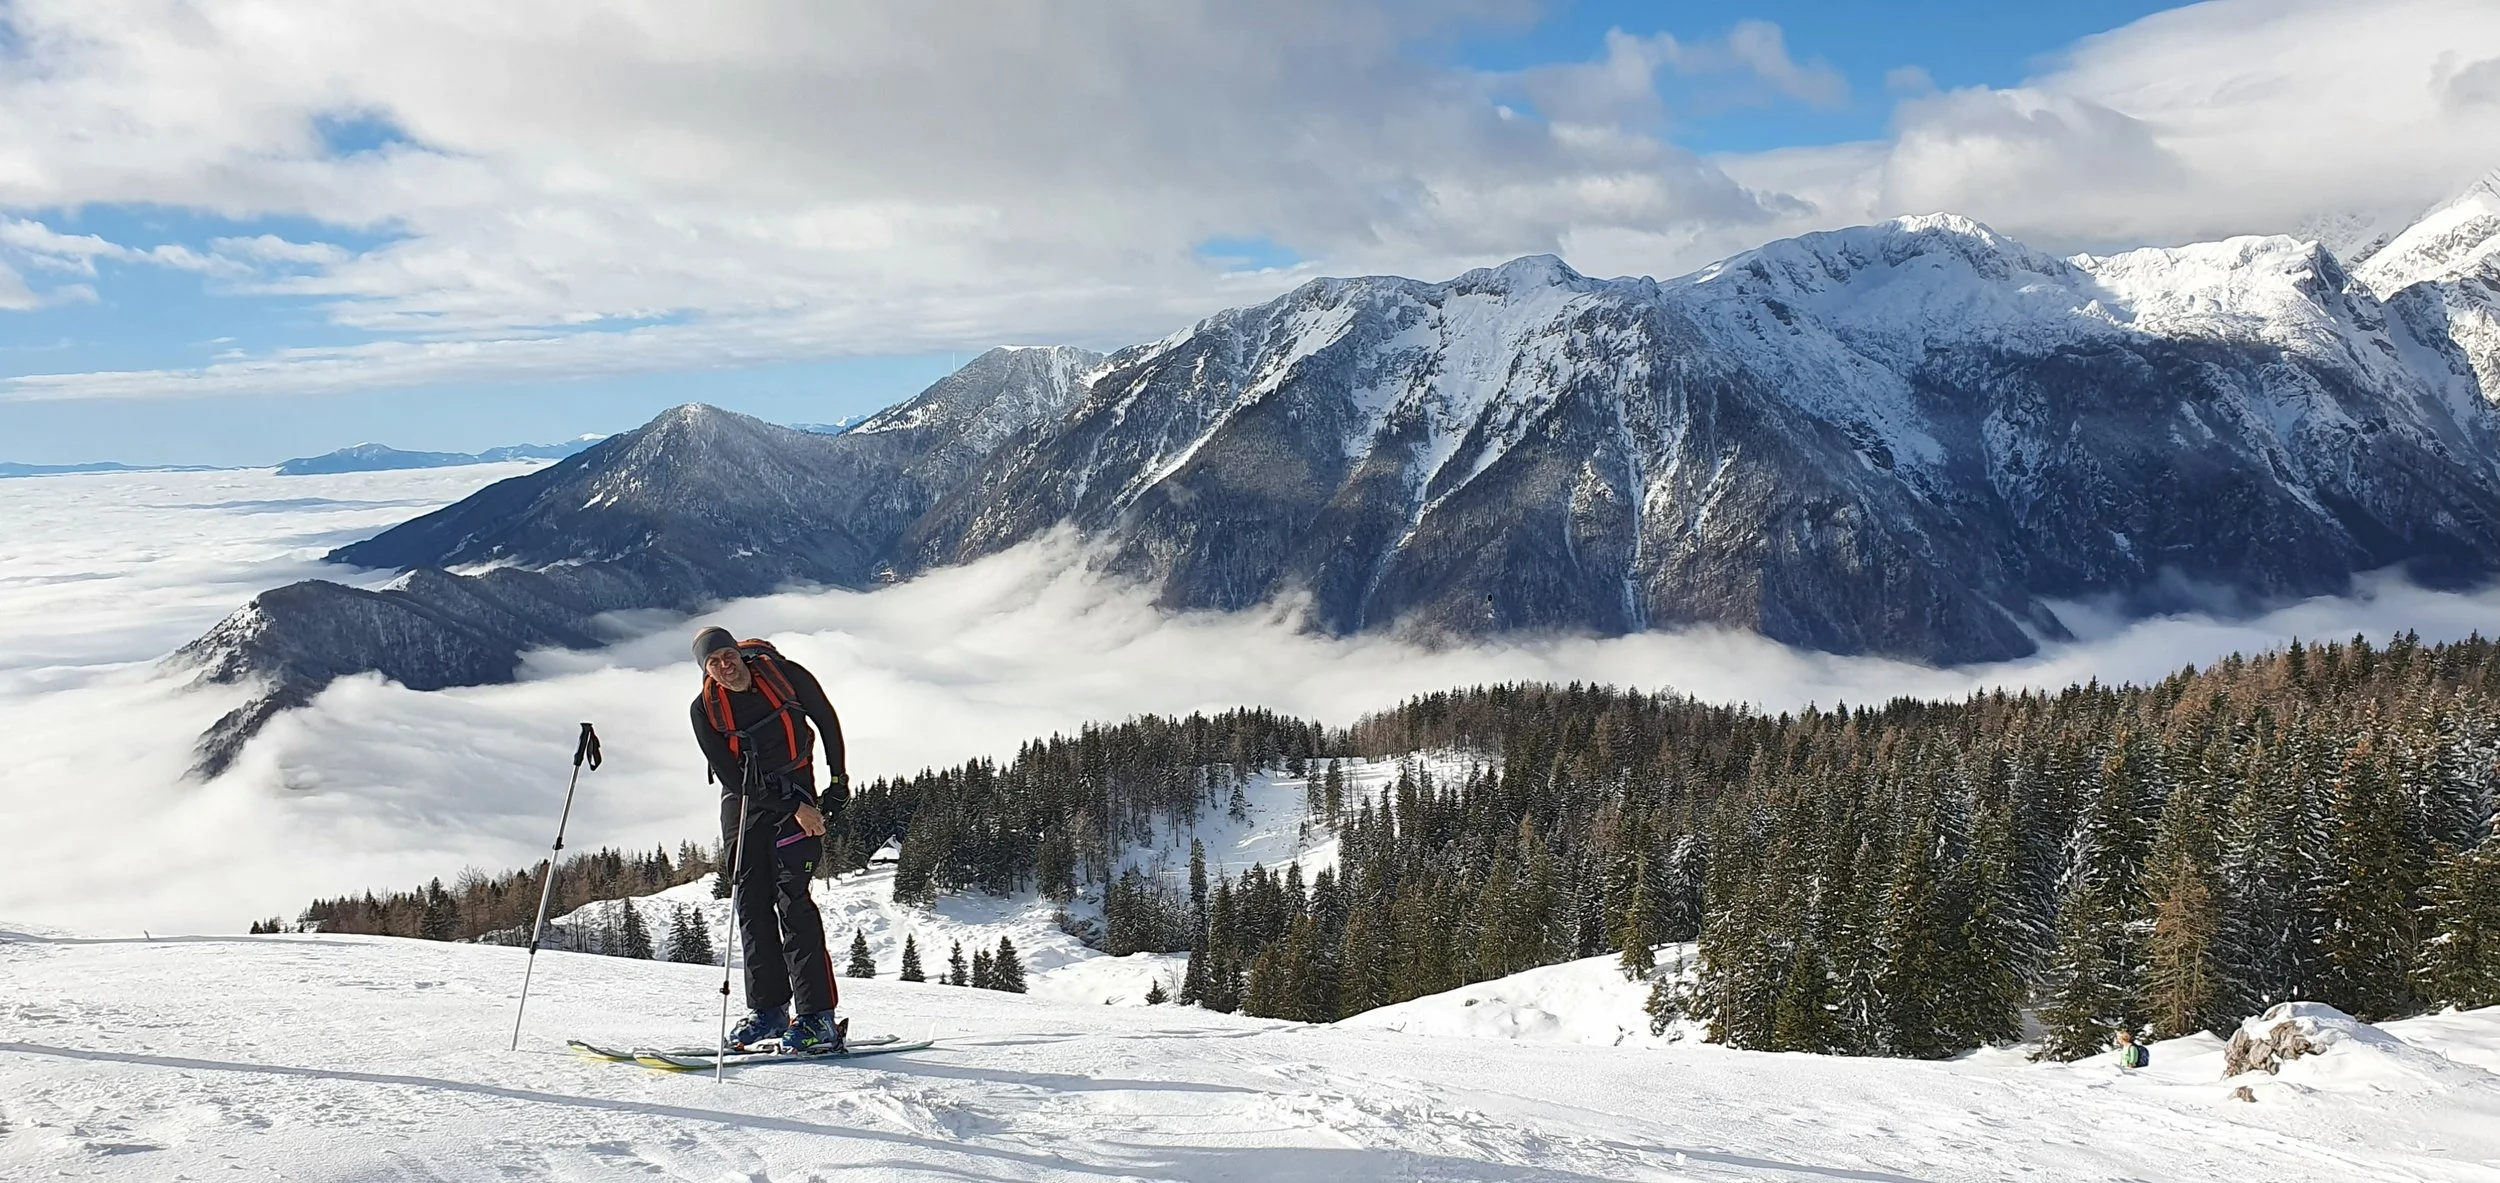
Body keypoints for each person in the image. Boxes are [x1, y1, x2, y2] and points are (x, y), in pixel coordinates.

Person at [689, 625, 851, 1053]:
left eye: (728, 656)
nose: (725, 667)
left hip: (796, 787)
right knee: (749, 900)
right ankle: (768, 1011)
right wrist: (794, 809)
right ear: (706, 670)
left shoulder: (787, 675)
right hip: (745, 800)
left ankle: (818, 1018)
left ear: (739, 653)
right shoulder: (704, 710)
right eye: (714, 663)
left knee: (792, 899)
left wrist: (837, 779)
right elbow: (730, 776)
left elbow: (826, 719)